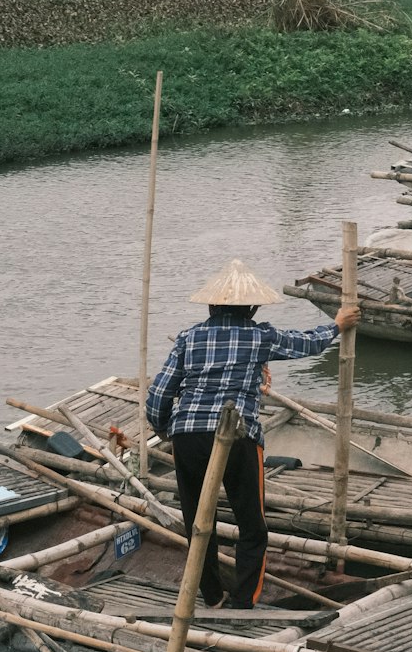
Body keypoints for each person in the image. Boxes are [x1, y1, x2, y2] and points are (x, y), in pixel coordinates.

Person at [145, 257, 359, 610]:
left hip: (188, 435)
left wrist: (168, 430)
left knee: (199, 521)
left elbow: (159, 395)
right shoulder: (259, 335)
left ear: (212, 306)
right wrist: (336, 325)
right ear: (252, 308)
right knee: (252, 526)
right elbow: (306, 343)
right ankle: (243, 602)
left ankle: (211, 596)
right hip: (238, 436)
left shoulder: (189, 337)